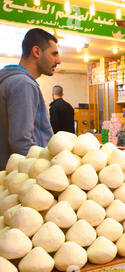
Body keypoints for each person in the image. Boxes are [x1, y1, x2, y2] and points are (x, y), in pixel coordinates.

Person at [0, 28, 61, 170]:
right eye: (54, 54)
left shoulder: (9, 80)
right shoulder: (23, 84)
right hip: (23, 176)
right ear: (37, 52)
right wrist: (44, 172)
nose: (58, 60)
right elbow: (21, 142)